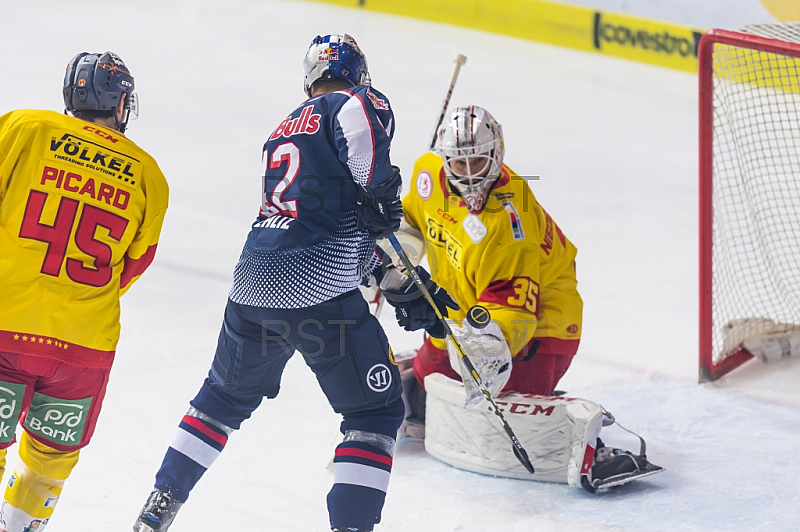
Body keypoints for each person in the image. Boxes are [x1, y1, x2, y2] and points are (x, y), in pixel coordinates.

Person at [133, 34, 455, 532]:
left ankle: (158, 506)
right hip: (315, 291)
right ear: (358, 75)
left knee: (219, 400)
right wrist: (384, 198)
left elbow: (326, 221)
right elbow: (368, 199)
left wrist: (397, 280)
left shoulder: (283, 128)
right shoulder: (356, 102)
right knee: (374, 414)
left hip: (252, 284)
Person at [391, 105, 663, 491]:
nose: (469, 176)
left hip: (543, 325)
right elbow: (411, 221)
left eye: (479, 162)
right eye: (459, 164)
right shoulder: (426, 175)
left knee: (505, 410)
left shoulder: (509, 222)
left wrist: (481, 350)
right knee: (428, 379)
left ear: (497, 153)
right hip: (465, 305)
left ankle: (583, 438)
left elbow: (515, 314)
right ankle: (426, 370)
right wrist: (392, 254)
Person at [0, 51, 169, 531]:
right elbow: (131, 266)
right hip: (81, 346)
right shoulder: (148, 173)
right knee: (48, 464)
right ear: (120, 105)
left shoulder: (22, 128)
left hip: (4, 325)